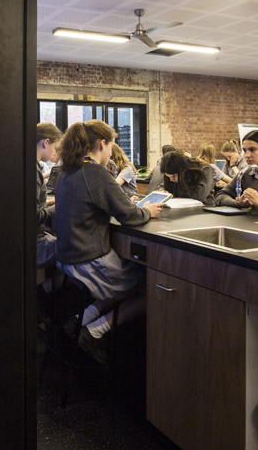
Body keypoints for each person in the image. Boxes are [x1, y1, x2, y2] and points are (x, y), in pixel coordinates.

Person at [53, 120, 163, 356]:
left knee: (121, 285)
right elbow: (130, 216)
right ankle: (95, 331)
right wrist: (148, 211)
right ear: (102, 144)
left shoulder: (67, 170)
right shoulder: (95, 173)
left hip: (68, 260)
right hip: (90, 262)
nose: (112, 151)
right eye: (112, 145)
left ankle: (79, 320)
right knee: (149, 286)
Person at [35, 123, 62, 275]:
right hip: (36, 245)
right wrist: (60, 205)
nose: (54, 153)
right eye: (55, 147)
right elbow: (35, 216)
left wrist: (48, 203)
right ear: (46, 142)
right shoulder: (34, 171)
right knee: (77, 248)